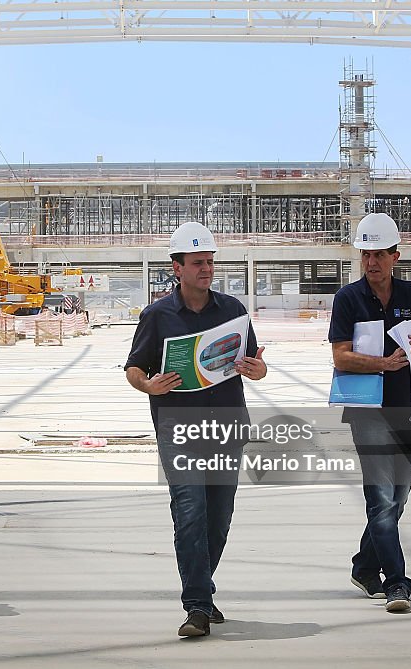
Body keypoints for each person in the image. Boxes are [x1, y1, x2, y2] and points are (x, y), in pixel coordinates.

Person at [124, 221, 267, 638]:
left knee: (218, 519)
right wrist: (147, 384)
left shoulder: (233, 311)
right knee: (190, 513)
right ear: (177, 268)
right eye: (197, 263)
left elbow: (254, 362)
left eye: (210, 262)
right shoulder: (157, 316)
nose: (206, 269)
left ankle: (202, 588)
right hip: (179, 430)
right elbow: (134, 367)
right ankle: (198, 607)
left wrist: (257, 371)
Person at [328, 213, 411, 613]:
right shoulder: (347, 299)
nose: (371, 262)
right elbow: (340, 356)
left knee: (399, 497)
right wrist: (382, 364)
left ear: (396, 255)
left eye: (379, 254)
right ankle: (398, 582)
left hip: (407, 409)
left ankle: (364, 566)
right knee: (380, 498)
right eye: (365, 254)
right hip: (367, 413)